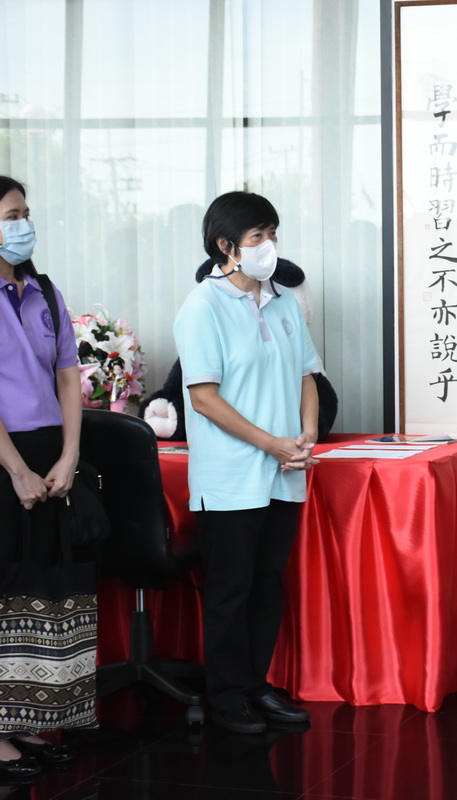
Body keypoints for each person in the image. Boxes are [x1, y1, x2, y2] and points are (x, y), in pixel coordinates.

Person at [173, 191, 321, 734]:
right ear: (226, 246)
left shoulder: (283, 301)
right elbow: (203, 398)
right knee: (230, 589)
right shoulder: (202, 307)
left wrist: (306, 433)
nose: (269, 245)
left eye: (272, 234)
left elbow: (306, 375)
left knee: (266, 584)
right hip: (231, 475)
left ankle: (256, 685)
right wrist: (270, 443)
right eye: (258, 236)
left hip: (284, 471)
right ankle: (228, 696)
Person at [0, 176, 90, 781]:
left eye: (26, 213)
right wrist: (16, 469)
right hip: (5, 456)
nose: (23, 224)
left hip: (50, 453)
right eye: (11, 214)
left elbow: (67, 376)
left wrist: (69, 456)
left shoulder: (44, 290)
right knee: (4, 589)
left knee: (40, 590)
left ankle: (24, 718)